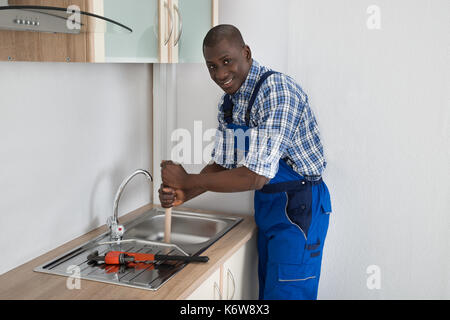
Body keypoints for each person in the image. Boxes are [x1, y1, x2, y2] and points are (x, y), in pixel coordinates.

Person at [159, 24, 332, 300]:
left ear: (246, 53)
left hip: (301, 209)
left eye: (226, 61)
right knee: (269, 294)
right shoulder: (229, 103)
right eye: (212, 66)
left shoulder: (277, 92)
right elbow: (224, 165)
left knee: (288, 293)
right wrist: (184, 193)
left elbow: (256, 176)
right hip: (268, 208)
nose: (220, 74)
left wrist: (188, 179)